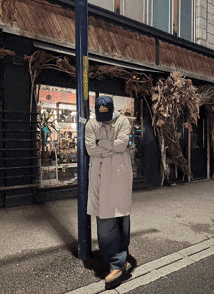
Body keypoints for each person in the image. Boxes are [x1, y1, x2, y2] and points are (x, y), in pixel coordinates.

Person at [85, 95, 133, 288]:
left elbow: (121, 144)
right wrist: (110, 147)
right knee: (105, 222)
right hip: (101, 176)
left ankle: (121, 261)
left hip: (120, 175)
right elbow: (90, 149)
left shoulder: (123, 121)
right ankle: (117, 263)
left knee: (122, 220)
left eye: (106, 116)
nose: (103, 120)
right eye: (100, 116)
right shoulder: (91, 124)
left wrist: (101, 144)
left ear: (113, 110)